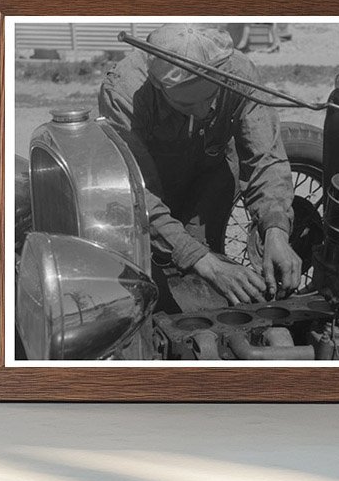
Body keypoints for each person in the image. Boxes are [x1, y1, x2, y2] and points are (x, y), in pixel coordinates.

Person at [98, 24, 301, 308]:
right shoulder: (124, 93)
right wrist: (207, 264)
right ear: (159, 86)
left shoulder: (238, 73)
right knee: (148, 288)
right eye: (189, 104)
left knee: (200, 290)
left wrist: (276, 229)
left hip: (210, 180)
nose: (204, 111)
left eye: (211, 98)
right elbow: (136, 193)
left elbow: (266, 157)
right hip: (153, 189)